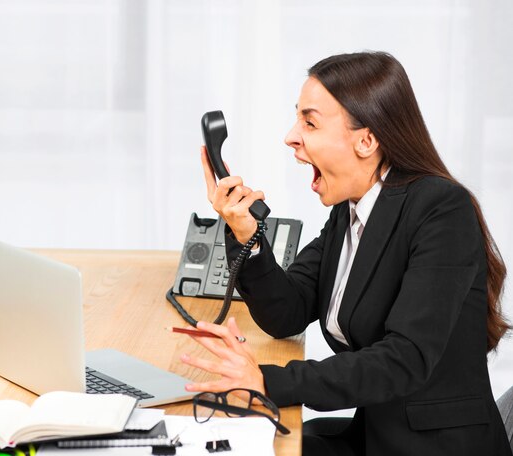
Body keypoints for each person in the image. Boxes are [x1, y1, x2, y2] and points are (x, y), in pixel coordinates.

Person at [179, 51, 512, 455]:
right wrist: (245, 230)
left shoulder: (441, 210)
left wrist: (267, 380)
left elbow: (403, 359)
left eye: (309, 122)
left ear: (366, 140)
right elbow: (288, 311)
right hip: (375, 436)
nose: (290, 137)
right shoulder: (351, 211)